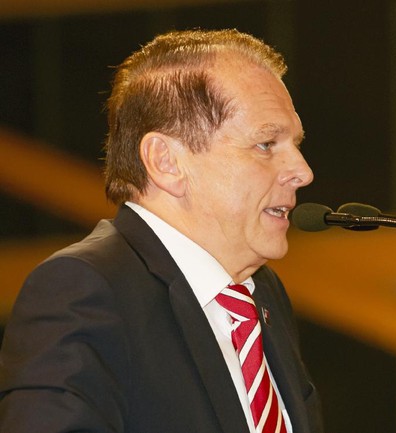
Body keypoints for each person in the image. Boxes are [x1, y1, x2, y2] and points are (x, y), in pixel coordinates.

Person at [0, 29, 322, 433]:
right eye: (266, 144)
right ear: (166, 162)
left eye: (296, 144)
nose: (303, 172)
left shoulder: (263, 293)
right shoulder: (83, 290)